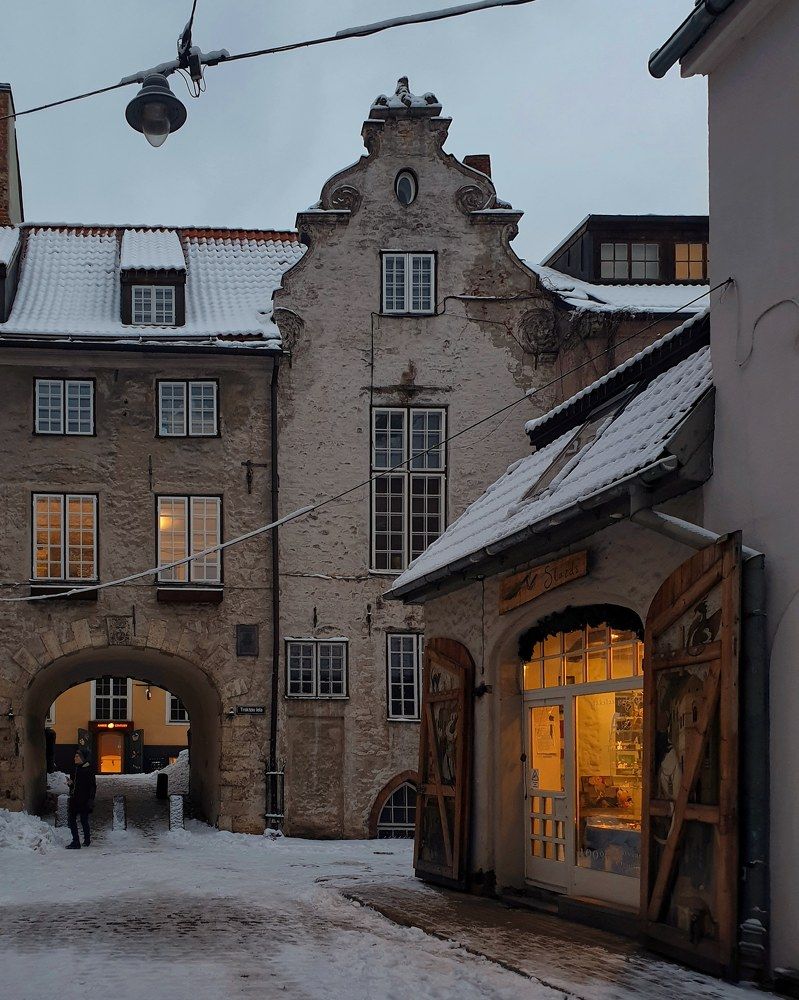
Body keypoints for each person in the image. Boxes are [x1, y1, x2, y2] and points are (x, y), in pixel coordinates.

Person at [66, 747, 96, 849]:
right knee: (71, 820)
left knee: (84, 820)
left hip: (84, 800)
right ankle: (76, 841)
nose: (75, 758)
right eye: (75, 756)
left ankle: (87, 840)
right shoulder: (74, 769)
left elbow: (92, 786)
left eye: (77, 756)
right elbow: (74, 785)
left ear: (83, 758)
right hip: (74, 799)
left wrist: (91, 799)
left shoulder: (88, 770)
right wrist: (70, 784)